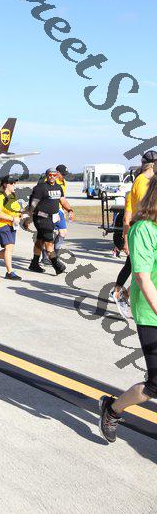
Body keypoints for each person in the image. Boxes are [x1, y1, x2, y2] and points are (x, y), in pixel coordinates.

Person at [99, 172, 157, 443]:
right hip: (151, 311)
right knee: (155, 385)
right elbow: (142, 278)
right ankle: (113, 409)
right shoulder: (143, 229)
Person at [110, 151, 157, 315]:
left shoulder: (138, 183)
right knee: (140, 270)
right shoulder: (143, 182)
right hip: (145, 231)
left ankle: (123, 294)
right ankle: (122, 294)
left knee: (141, 269)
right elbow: (129, 217)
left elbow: (128, 217)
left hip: (143, 230)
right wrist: (125, 241)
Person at [24, 168, 74, 275]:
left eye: (54, 175)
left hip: (52, 218)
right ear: (47, 175)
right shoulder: (40, 188)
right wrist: (28, 219)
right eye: (50, 175)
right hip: (41, 218)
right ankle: (57, 266)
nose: (52, 177)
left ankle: (34, 264)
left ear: (57, 176)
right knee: (49, 242)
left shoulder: (58, 187)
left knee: (40, 240)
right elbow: (33, 205)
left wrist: (70, 210)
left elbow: (63, 201)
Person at [0, 176, 23, 281]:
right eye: (12, 183)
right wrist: (12, 218)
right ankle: (9, 272)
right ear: (6, 184)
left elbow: (15, 209)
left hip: (12, 225)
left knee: (9, 249)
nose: (14, 185)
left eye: (15, 183)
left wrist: (20, 215)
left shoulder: (12, 195)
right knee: (9, 248)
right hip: (1, 225)